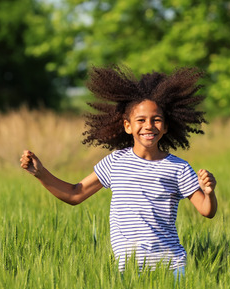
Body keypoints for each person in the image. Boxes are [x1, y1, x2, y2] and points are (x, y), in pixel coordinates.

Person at [20, 65, 217, 277]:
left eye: (156, 120)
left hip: (171, 266)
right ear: (127, 126)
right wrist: (41, 173)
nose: (148, 126)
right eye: (140, 120)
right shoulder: (116, 162)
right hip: (129, 268)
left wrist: (209, 192)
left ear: (166, 126)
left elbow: (207, 211)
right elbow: (75, 194)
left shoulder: (178, 168)